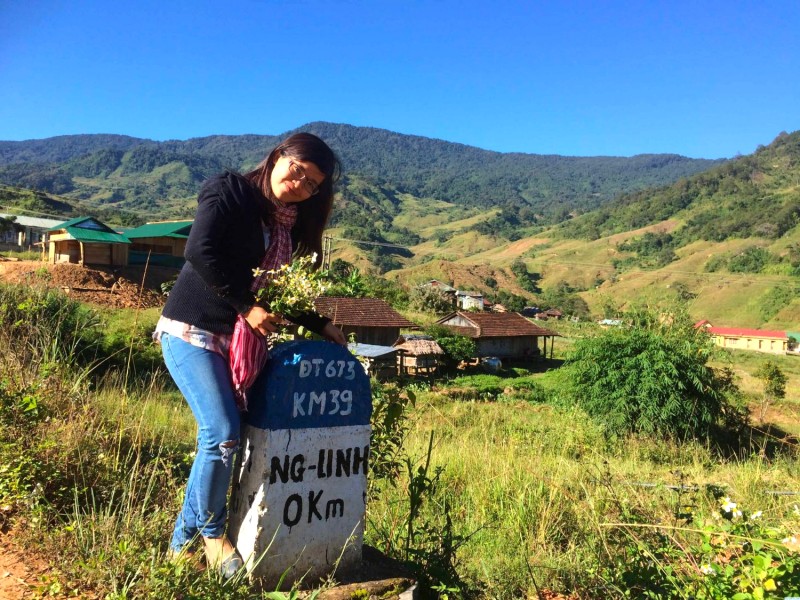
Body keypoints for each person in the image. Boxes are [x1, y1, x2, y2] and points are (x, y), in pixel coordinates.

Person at [154, 132, 347, 578]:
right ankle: (212, 534)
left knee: (227, 437)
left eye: (313, 183)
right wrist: (246, 306)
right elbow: (198, 251)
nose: (300, 184)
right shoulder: (230, 190)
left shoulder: (284, 225)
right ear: (279, 156)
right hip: (191, 328)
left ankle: (180, 547)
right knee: (220, 432)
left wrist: (320, 324)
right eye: (298, 170)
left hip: (235, 339)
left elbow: (272, 291)